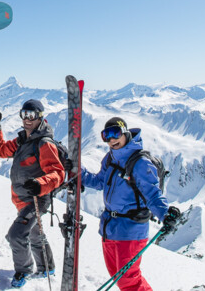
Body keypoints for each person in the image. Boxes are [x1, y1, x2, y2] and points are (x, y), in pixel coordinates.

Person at [81, 117, 181, 291]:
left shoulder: (140, 163)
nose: (111, 139)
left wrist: (165, 214)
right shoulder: (110, 158)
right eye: (106, 135)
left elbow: (153, 194)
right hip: (110, 227)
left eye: (115, 133)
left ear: (125, 133)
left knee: (128, 280)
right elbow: (99, 181)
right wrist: (77, 172)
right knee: (118, 277)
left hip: (130, 230)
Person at [0, 100, 66, 288]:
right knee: (34, 233)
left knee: (16, 235)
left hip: (37, 199)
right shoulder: (22, 140)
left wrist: (39, 184)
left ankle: (23, 270)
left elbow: (58, 173)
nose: (27, 119)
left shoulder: (44, 143)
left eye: (32, 115)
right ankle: (47, 267)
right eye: (24, 114)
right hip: (21, 198)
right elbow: (0, 150)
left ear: (40, 117)